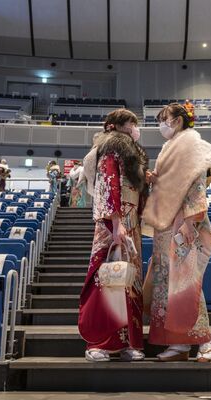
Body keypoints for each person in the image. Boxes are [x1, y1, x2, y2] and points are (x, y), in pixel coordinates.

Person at [142, 103, 211, 362]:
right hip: (165, 222)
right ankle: (178, 343)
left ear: (177, 120)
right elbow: (171, 181)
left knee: (186, 281)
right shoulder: (170, 146)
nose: (161, 124)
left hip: (183, 220)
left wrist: (190, 220)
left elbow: (196, 183)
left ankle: (204, 342)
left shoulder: (190, 143)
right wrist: (155, 179)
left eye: (164, 119)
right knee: (166, 283)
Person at [78, 109, 149, 362]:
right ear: (117, 126)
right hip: (114, 221)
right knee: (107, 278)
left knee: (129, 280)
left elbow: (133, 188)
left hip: (130, 221)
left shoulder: (130, 151)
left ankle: (129, 341)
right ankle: (99, 343)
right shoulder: (112, 148)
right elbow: (109, 185)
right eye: (131, 122)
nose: (134, 127)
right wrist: (117, 223)